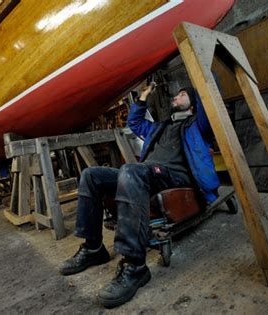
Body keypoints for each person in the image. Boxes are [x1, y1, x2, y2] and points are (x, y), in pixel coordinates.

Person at [59, 82, 220, 308]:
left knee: (131, 169)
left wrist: (200, 75)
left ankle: (135, 266)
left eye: (182, 94)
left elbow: (208, 100)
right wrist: (143, 97)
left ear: (193, 104)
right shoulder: (160, 127)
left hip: (175, 175)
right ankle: (93, 248)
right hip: (148, 172)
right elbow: (134, 123)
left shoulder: (198, 125)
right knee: (91, 175)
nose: (176, 96)